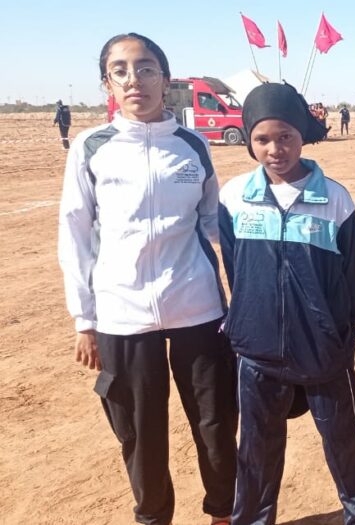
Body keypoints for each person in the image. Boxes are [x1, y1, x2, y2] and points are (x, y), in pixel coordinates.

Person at [57, 33, 237, 525]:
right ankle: (154, 517)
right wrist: (84, 319)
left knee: (217, 421)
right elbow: (75, 234)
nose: (134, 79)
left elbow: (212, 221)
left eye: (146, 68)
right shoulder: (91, 148)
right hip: (122, 312)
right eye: (120, 70)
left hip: (197, 305)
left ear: (165, 78)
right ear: (107, 83)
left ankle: (224, 513)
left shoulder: (193, 145)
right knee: (140, 430)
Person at [218, 82, 355, 525]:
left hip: (323, 350)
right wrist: (250, 319)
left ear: (302, 135)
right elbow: (236, 270)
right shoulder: (234, 197)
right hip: (257, 351)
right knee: (256, 451)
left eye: (285, 136)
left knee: (344, 444)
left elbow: (352, 280)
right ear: (249, 140)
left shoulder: (335, 199)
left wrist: (338, 332)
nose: (275, 149)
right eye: (262, 139)